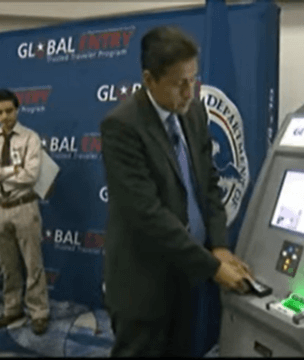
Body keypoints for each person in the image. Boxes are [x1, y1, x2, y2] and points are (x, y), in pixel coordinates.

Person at [100, 26, 253, 357]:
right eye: (179, 84)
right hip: (143, 282)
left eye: (193, 80)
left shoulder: (195, 112)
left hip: (187, 272)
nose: (189, 92)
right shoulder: (121, 127)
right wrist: (213, 267)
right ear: (149, 79)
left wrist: (220, 246)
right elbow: (147, 216)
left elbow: (209, 185)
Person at [0, 89, 50, 335]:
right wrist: (12, 171)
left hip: (23, 207)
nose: (4, 116)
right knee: (7, 266)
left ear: (17, 110)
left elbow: (30, 175)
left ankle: (39, 312)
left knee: (33, 264)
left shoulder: (30, 138)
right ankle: (12, 309)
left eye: (9, 111)